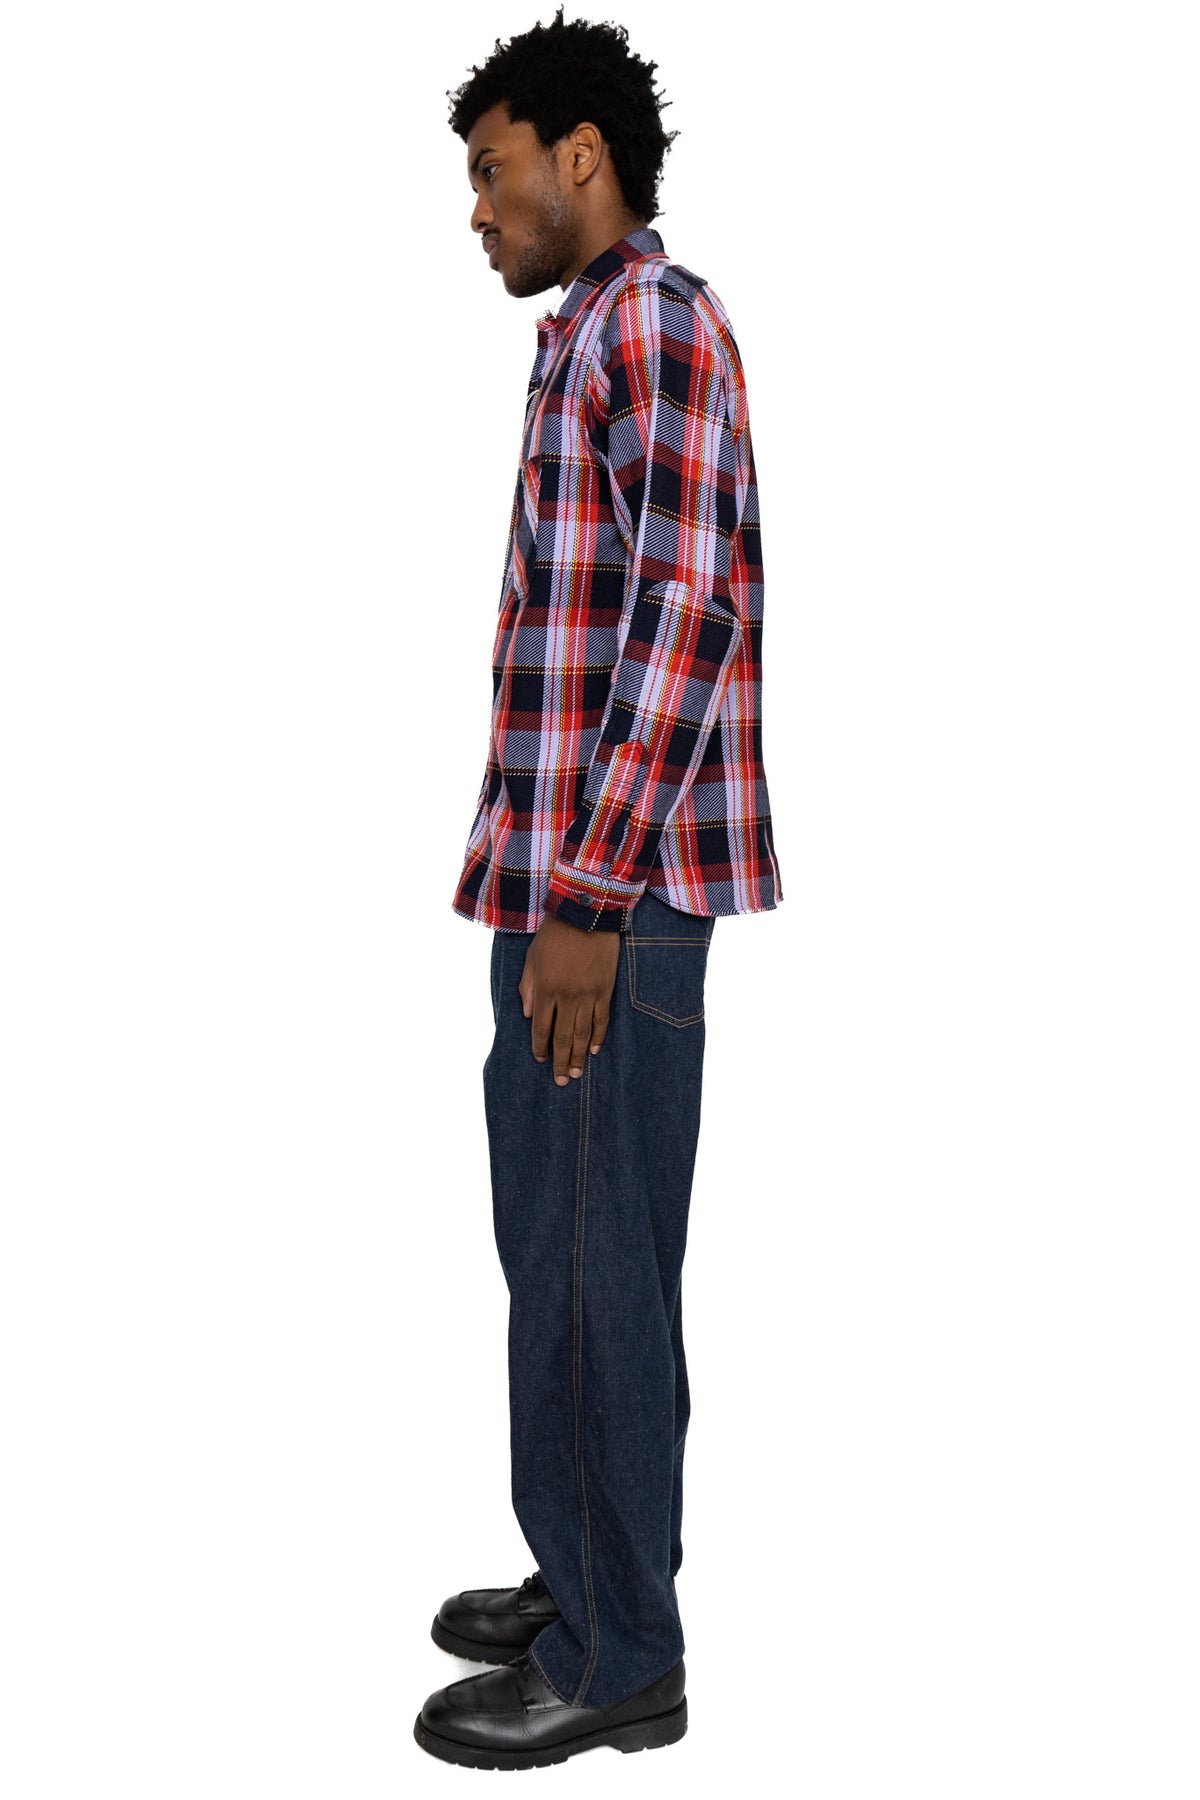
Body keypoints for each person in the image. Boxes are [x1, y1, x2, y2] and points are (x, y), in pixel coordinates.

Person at [413, 9, 783, 1769]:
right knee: (566, 1255)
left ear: (582, 156)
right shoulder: (587, 336)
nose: (477, 209)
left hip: (605, 905)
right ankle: (587, 1569)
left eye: (492, 171)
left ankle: (623, 1651)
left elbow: (693, 608)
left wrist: (585, 896)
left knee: (589, 1271)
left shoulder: (654, 321)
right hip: (563, 889)